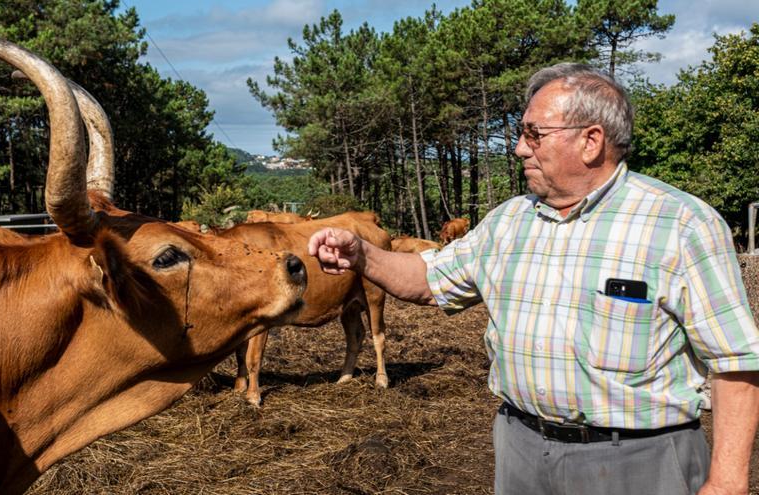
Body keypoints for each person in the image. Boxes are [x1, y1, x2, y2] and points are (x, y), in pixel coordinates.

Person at [308, 63, 759, 495]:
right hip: (521, 449)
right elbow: (429, 277)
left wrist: (728, 481)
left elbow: (736, 359)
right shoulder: (509, 221)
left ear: (591, 141)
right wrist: (364, 254)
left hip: (642, 461)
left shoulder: (680, 224)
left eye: (533, 134)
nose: (521, 148)